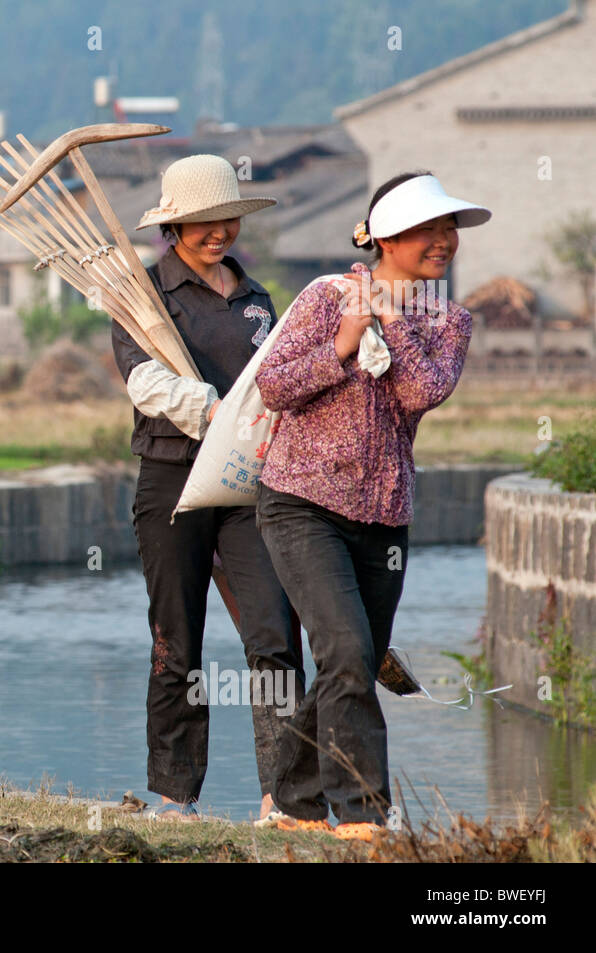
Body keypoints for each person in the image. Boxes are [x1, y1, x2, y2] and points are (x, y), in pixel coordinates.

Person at [253, 171, 490, 841]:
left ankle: (294, 803)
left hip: (384, 519)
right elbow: (274, 384)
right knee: (351, 650)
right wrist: (341, 343)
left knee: (348, 659)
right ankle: (364, 817)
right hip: (300, 502)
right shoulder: (327, 297)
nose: (445, 241)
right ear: (385, 238)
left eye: (450, 230)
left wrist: (390, 320)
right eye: (429, 229)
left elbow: (423, 392)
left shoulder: (449, 320)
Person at [113, 154, 305, 820]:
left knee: (274, 631)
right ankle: (175, 794)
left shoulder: (256, 300)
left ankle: (286, 796)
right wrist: (217, 407)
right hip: (172, 476)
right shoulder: (144, 295)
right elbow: (144, 383)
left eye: (226, 219)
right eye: (201, 224)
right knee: (176, 639)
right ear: (174, 227)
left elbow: (280, 381)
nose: (217, 232)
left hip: (247, 483)